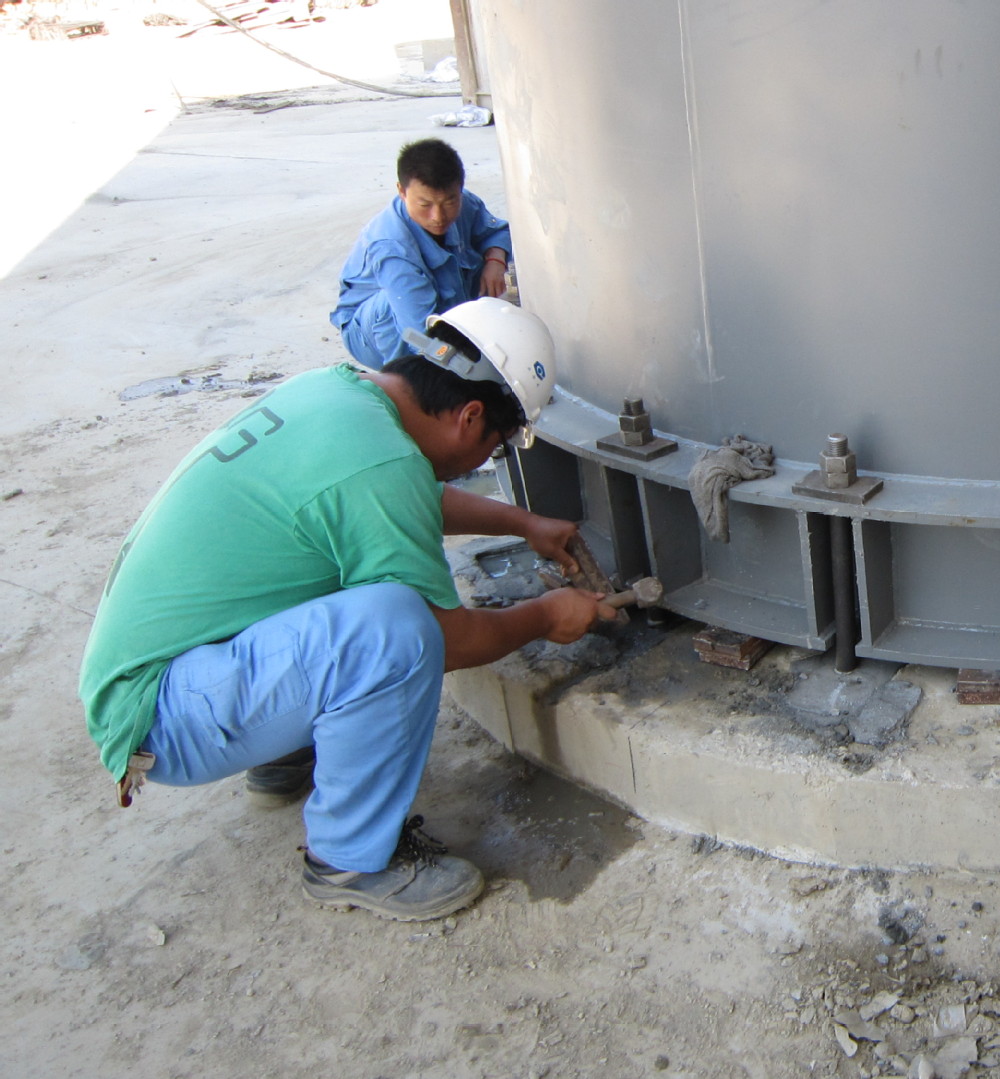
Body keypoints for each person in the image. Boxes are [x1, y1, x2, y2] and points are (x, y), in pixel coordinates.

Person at [79, 298, 613, 921]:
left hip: (166, 674)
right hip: (162, 717)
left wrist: (523, 523)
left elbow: (398, 496)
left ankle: (281, 754)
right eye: (494, 447)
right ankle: (349, 858)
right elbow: (449, 639)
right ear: (470, 417)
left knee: (344, 571)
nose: (484, 461)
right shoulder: (383, 461)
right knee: (397, 630)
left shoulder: (342, 398)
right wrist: (546, 616)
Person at [331, 137, 513, 369]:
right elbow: (419, 333)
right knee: (392, 308)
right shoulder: (391, 248)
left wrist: (495, 260)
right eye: (425, 205)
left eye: (449, 202)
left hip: (446, 311)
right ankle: (401, 376)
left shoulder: (464, 202)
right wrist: (469, 373)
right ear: (402, 191)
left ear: (459, 189)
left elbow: (497, 232)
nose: (438, 216)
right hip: (374, 334)